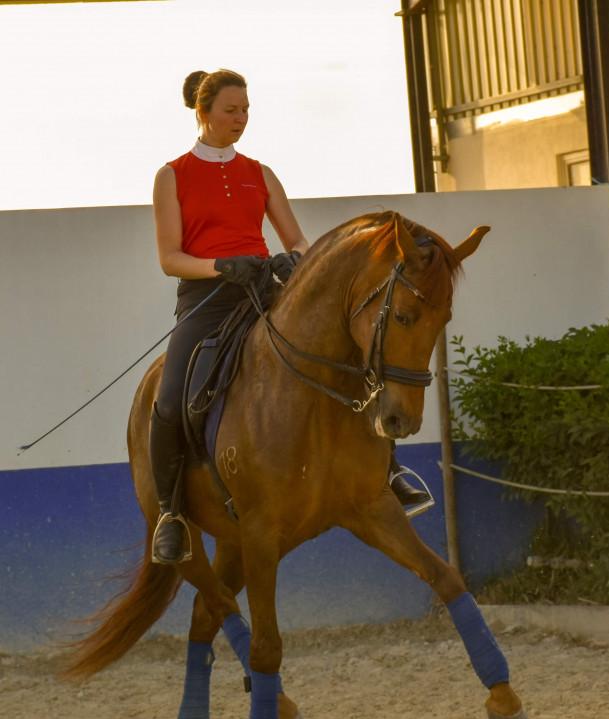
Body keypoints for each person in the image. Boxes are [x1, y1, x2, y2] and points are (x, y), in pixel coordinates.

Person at [150, 69, 431, 565]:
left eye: (245, 111)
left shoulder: (260, 172)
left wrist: (292, 260)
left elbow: (297, 241)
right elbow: (169, 257)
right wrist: (220, 265)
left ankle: (389, 470)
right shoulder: (172, 175)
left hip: (267, 288)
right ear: (203, 112)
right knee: (171, 400)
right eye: (230, 111)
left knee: (352, 357)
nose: (240, 119)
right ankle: (171, 514)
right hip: (207, 298)